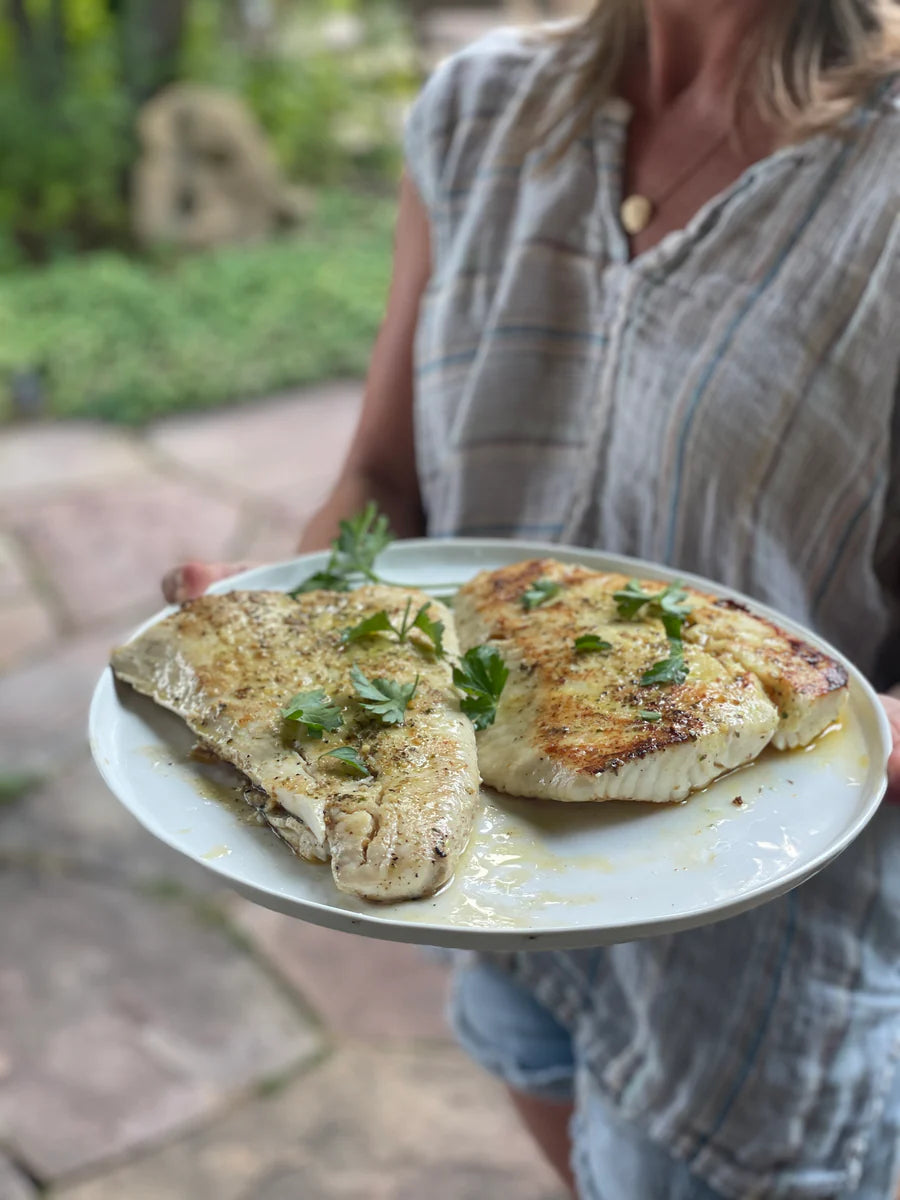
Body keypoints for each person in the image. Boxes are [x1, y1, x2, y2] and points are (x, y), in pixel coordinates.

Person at [165, 1, 900, 1195]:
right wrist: (296, 627)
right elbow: (381, 482)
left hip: (750, 997)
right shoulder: (475, 112)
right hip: (503, 907)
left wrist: (865, 725)